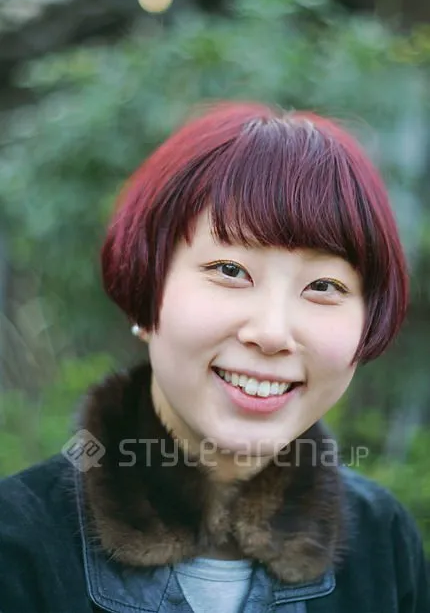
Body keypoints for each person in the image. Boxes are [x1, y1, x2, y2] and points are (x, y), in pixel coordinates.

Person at [0, 101, 428, 613]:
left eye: (323, 286)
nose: (272, 333)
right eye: (230, 270)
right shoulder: (18, 547)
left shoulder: (383, 546)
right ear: (147, 290)